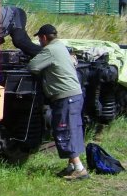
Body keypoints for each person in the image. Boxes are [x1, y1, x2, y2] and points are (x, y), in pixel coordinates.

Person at [28, 24, 88, 180]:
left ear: (44, 37)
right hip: (74, 95)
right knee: (72, 129)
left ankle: (80, 169)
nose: (39, 41)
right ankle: (71, 167)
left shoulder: (50, 50)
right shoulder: (61, 46)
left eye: (39, 38)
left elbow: (33, 66)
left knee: (64, 130)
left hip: (65, 96)